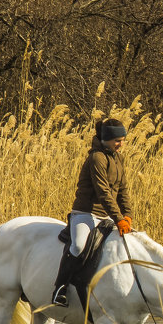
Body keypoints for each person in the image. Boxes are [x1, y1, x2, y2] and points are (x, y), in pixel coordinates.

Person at [51, 118, 134, 307]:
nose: (121, 144)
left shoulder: (117, 157)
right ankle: (59, 289)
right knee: (79, 246)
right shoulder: (96, 157)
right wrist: (118, 218)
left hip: (107, 216)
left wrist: (127, 216)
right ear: (106, 139)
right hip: (85, 213)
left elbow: (123, 191)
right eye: (117, 140)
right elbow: (103, 192)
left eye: (122, 140)